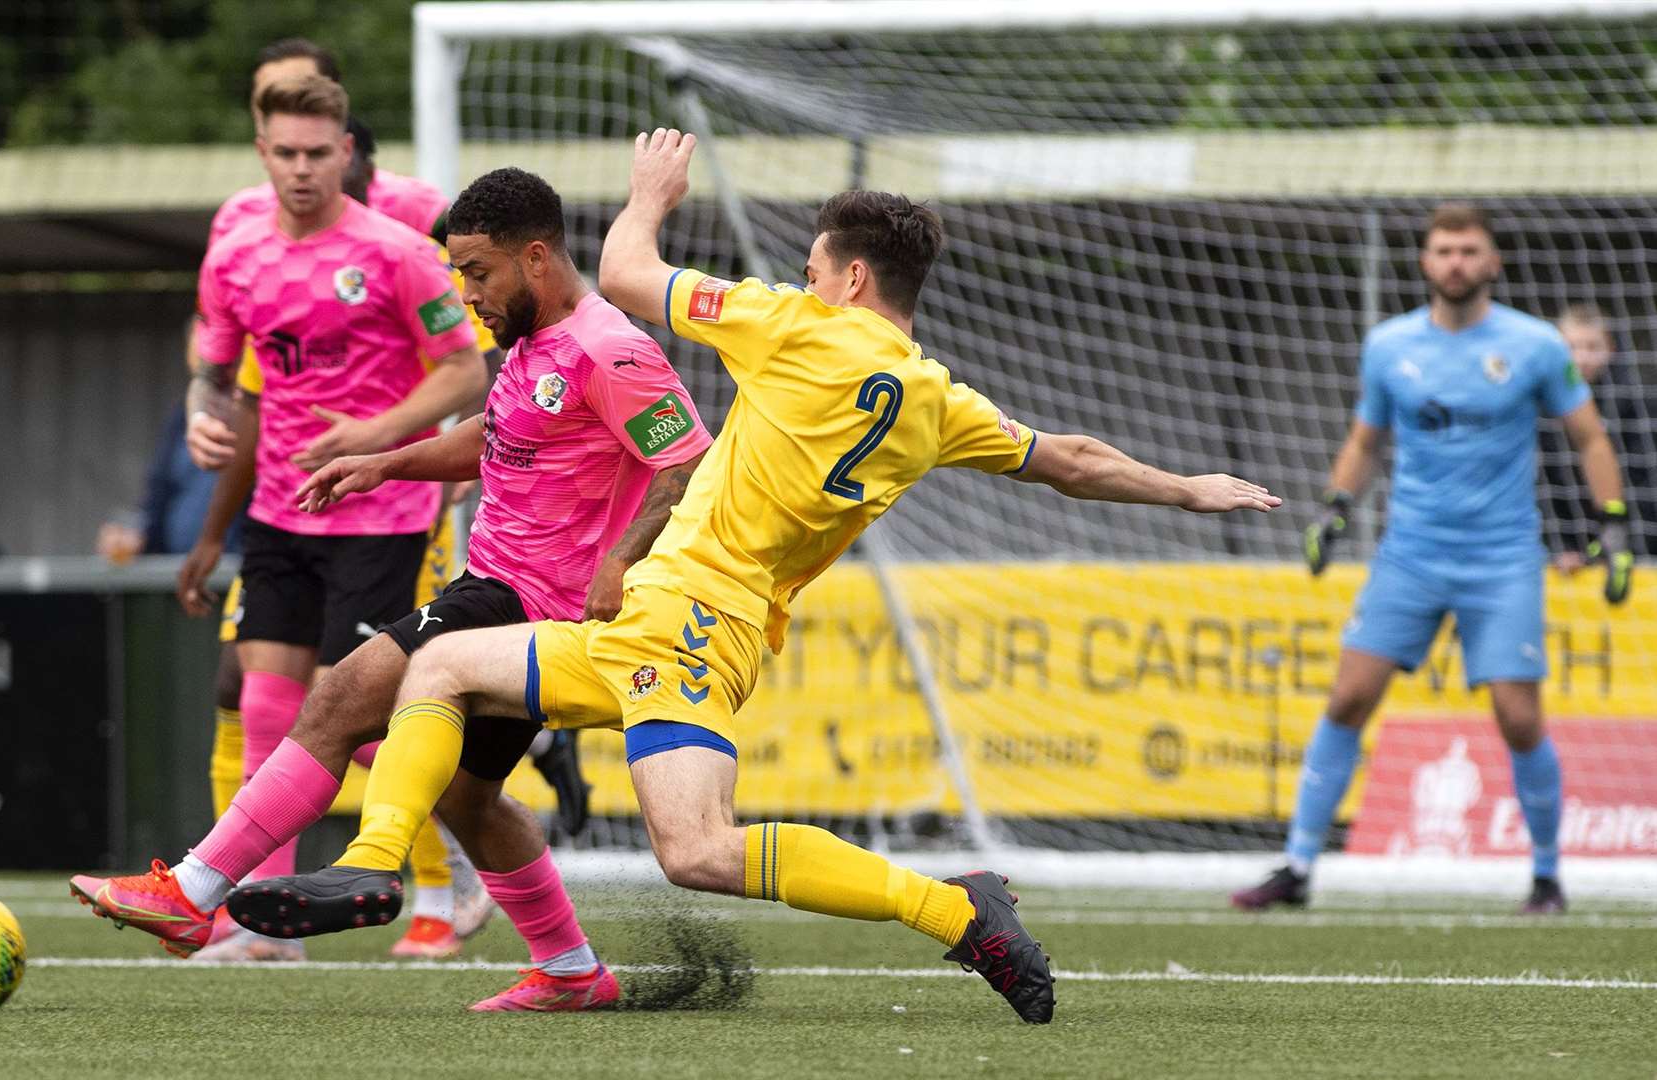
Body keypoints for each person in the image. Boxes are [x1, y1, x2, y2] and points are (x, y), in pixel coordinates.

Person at [227, 130, 1275, 1024]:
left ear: (850, 279)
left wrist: (648, 199)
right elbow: (1074, 463)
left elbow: (630, 275)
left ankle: (376, 861)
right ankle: (954, 910)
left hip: (680, 618)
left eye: (816, 268)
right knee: (524, 727)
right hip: (715, 638)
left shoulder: (795, 328)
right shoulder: (941, 403)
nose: (807, 281)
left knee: (482, 698)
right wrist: (1188, 489)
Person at [73, 165, 712, 1012]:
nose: (468, 293)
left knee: (339, 694)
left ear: (535, 259)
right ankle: (571, 971)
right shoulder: (533, 343)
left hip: (526, 603)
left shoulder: (611, 346)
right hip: (500, 590)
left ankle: (194, 892)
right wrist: (385, 462)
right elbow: (502, 430)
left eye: (478, 273)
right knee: (468, 798)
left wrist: (622, 559)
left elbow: (689, 457)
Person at [84, 75, 488, 963]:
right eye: (286, 153)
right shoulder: (233, 256)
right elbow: (218, 375)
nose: (303, 169)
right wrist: (201, 409)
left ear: (346, 152)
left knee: (377, 726)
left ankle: (467, 848)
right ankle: (264, 927)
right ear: (261, 152)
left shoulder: (396, 251)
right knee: (266, 708)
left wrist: (377, 434)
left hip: (381, 512)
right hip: (278, 513)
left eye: (319, 153)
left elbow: (465, 372)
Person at [1234, 203, 1634, 917]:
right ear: (1425, 262)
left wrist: (1614, 525)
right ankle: (1296, 865)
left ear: (1492, 262)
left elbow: (1590, 438)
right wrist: (1334, 507)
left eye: (1468, 250)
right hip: (1410, 555)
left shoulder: (1536, 345)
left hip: (1503, 557)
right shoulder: (1389, 346)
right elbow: (1366, 440)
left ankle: (1546, 878)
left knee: (1518, 717)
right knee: (1348, 699)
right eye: (1443, 249)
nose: (1455, 261)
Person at [1540, 304, 1653, 568]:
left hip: (1634, 535)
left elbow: (1643, 481)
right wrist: (1562, 547)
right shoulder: (1542, 407)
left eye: (1592, 347)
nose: (1581, 358)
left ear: (1611, 348)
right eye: (1572, 347)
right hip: (1568, 538)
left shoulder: (1634, 402)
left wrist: (1624, 544)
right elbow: (1546, 485)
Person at [96, 399, 247, 564]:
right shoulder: (185, 416)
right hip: (174, 569)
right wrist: (135, 532)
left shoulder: (258, 414)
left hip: (236, 567)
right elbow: (157, 496)